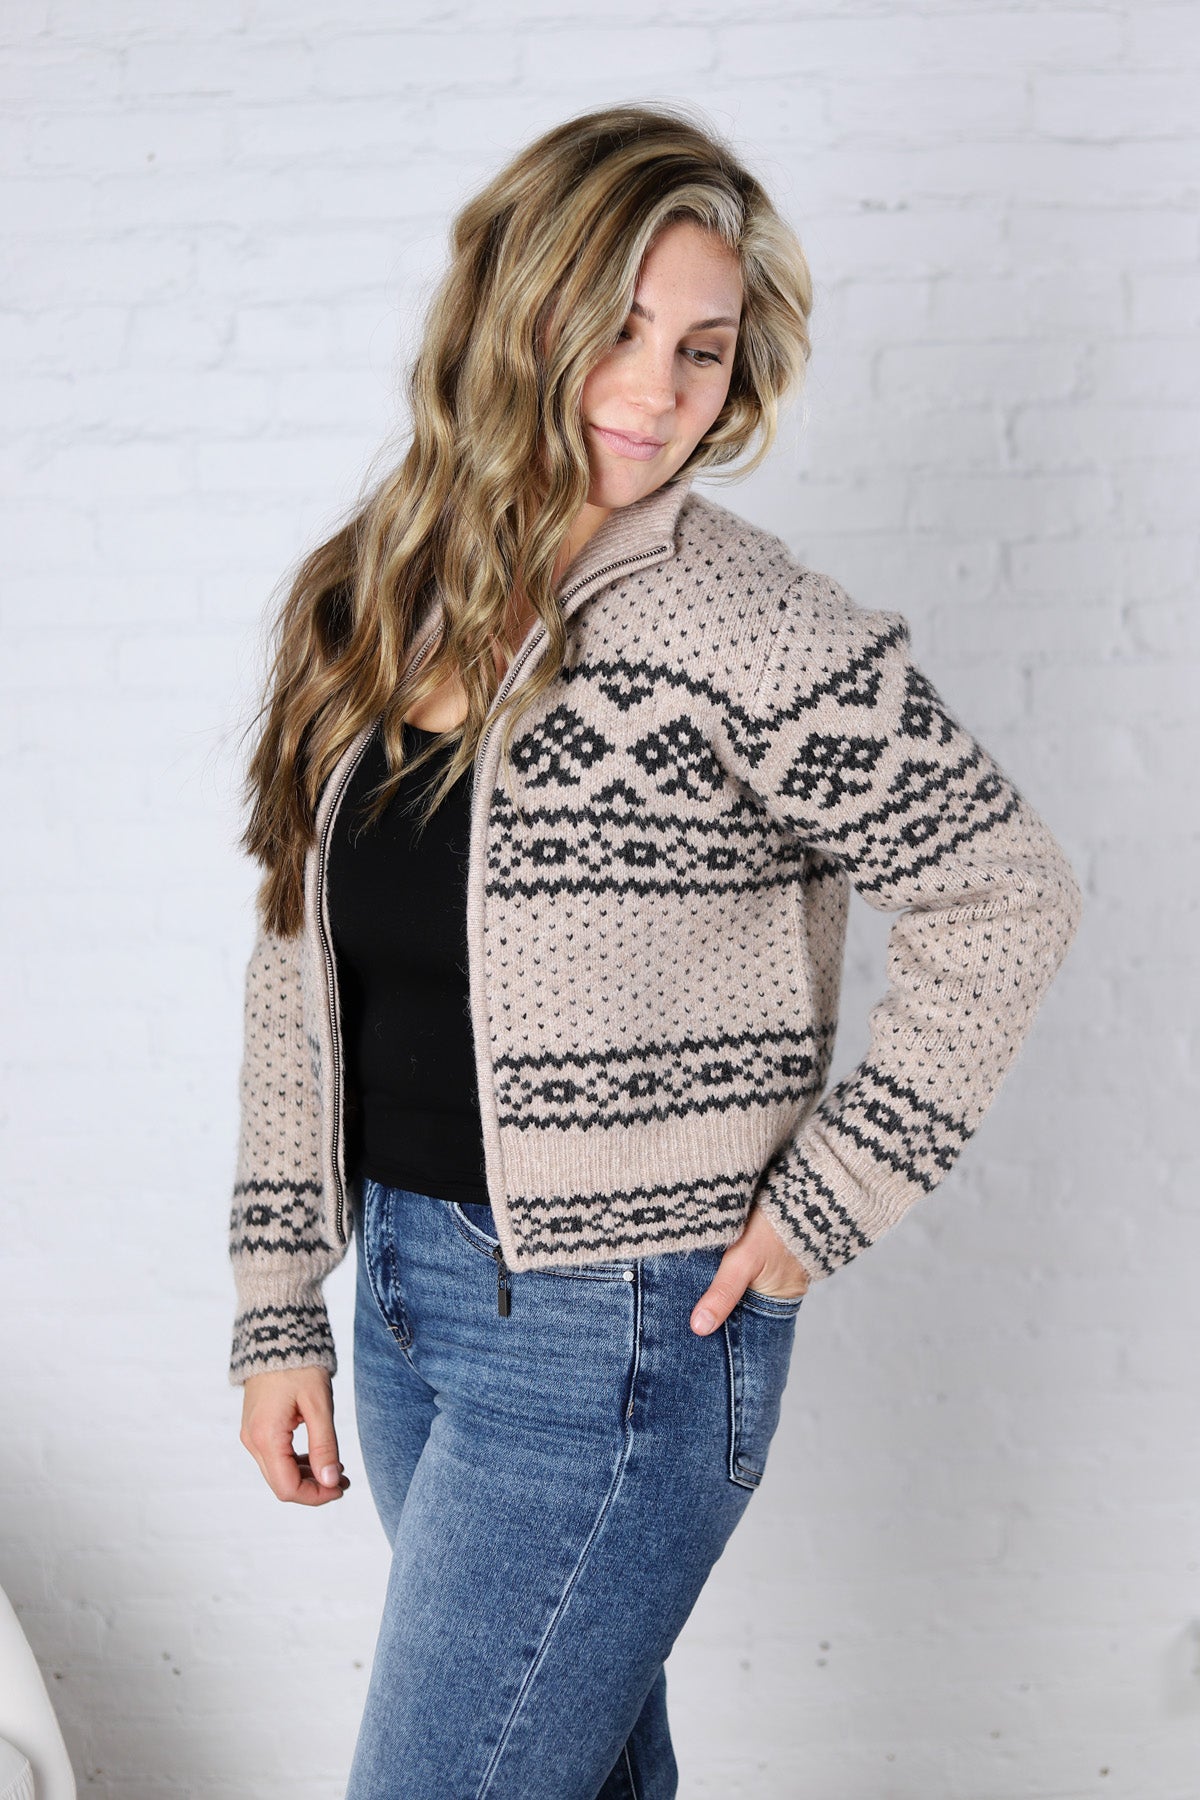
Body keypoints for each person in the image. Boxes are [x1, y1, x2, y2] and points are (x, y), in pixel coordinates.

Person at [228, 102, 1082, 1799]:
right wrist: (276, 1305)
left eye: (703, 344)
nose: (659, 387)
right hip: (405, 1296)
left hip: (619, 1331)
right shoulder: (378, 592)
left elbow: (1007, 888)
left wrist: (830, 1198)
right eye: (614, 327)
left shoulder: (747, 621)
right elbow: (291, 966)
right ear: (512, 314)